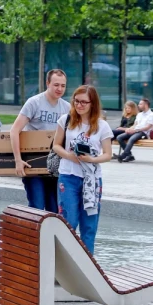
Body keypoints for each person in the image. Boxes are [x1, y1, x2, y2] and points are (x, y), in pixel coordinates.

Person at [52, 86, 114, 255]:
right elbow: (56, 145)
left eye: (83, 102)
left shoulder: (102, 126)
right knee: (68, 221)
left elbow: (108, 154)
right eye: (76, 101)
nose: (79, 105)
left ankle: (87, 268)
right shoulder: (65, 120)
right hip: (68, 176)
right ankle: (62, 265)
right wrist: (69, 155)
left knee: (89, 225)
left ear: (92, 103)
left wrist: (92, 159)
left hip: (91, 180)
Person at [11, 69, 70, 213]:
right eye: (56, 85)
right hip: (33, 163)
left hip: (55, 166)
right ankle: (33, 235)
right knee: (37, 205)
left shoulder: (67, 108)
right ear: (47, 83)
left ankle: (49, 236)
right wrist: (18, 160)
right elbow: (14, 131)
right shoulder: (34, 103)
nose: (59, 89)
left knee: (54, 209)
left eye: (63, 85)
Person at [115, 97, 153, 163]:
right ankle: (129, 155)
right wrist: (129, 129)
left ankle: (123, 155)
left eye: (140, 104)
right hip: (135, 131)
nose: (138, 105)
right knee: (119, 137)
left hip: (143, 133)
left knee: (131, 139)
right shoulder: (139, 114)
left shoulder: (152, 115)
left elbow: (147, 127)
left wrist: (135, 130)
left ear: (146, 105)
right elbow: (135, 125)